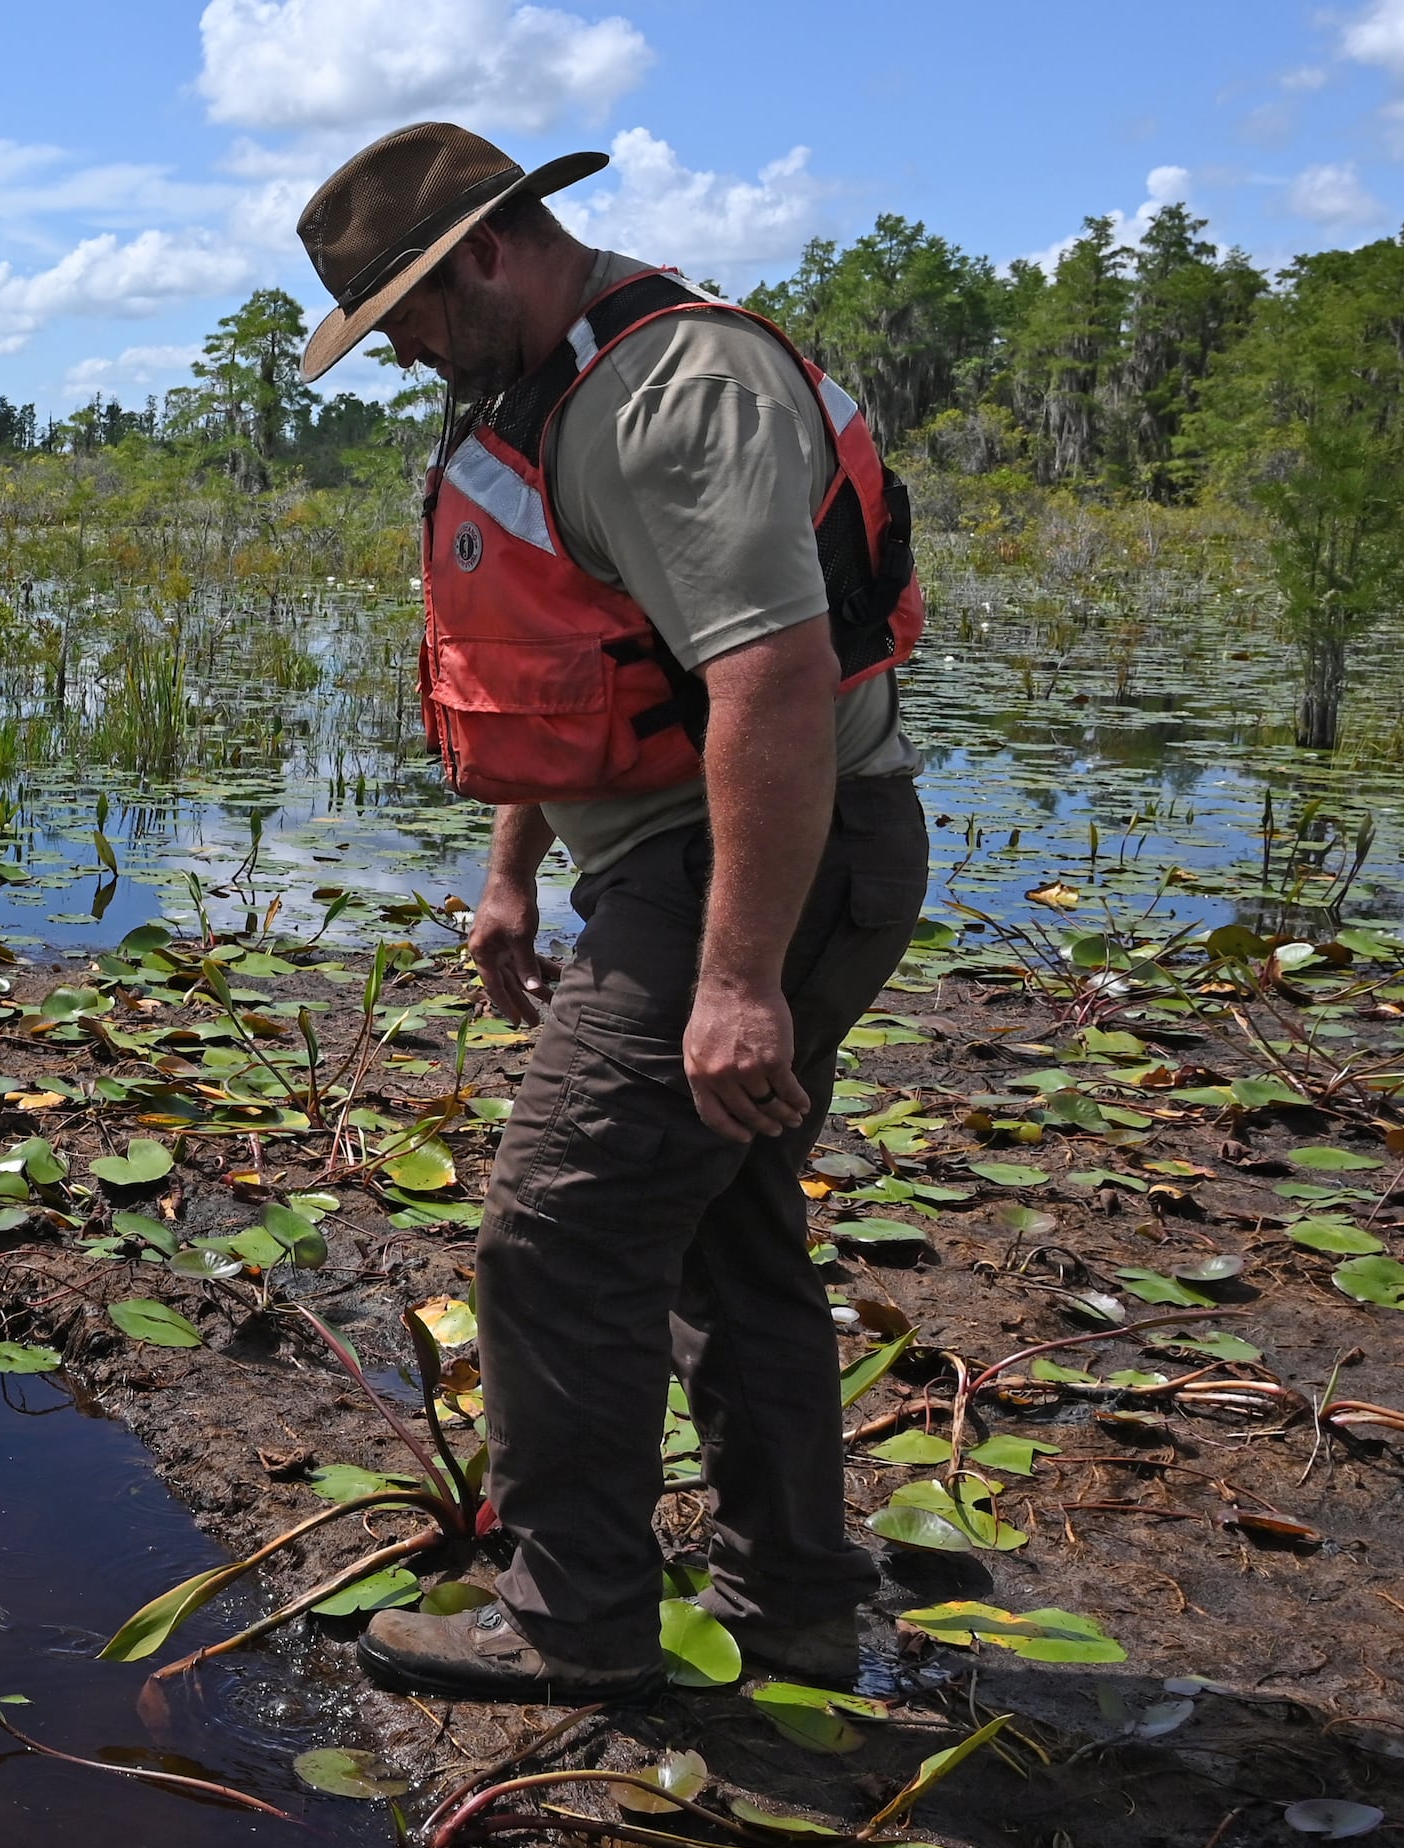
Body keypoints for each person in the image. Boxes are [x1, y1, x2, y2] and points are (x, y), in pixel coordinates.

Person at [287, 121, 932, 1702]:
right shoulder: (556, 383)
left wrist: (737, 979)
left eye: (413, 319)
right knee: (725, 1234)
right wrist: (513, 874)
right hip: (699, 860)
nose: (411, 355)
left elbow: (769, 680)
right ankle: (792, 1605)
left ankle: (573, 1625)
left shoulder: (668, 394)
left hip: (764, 863)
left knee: (559, 1239)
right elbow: (577, 663)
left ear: (489, 252)